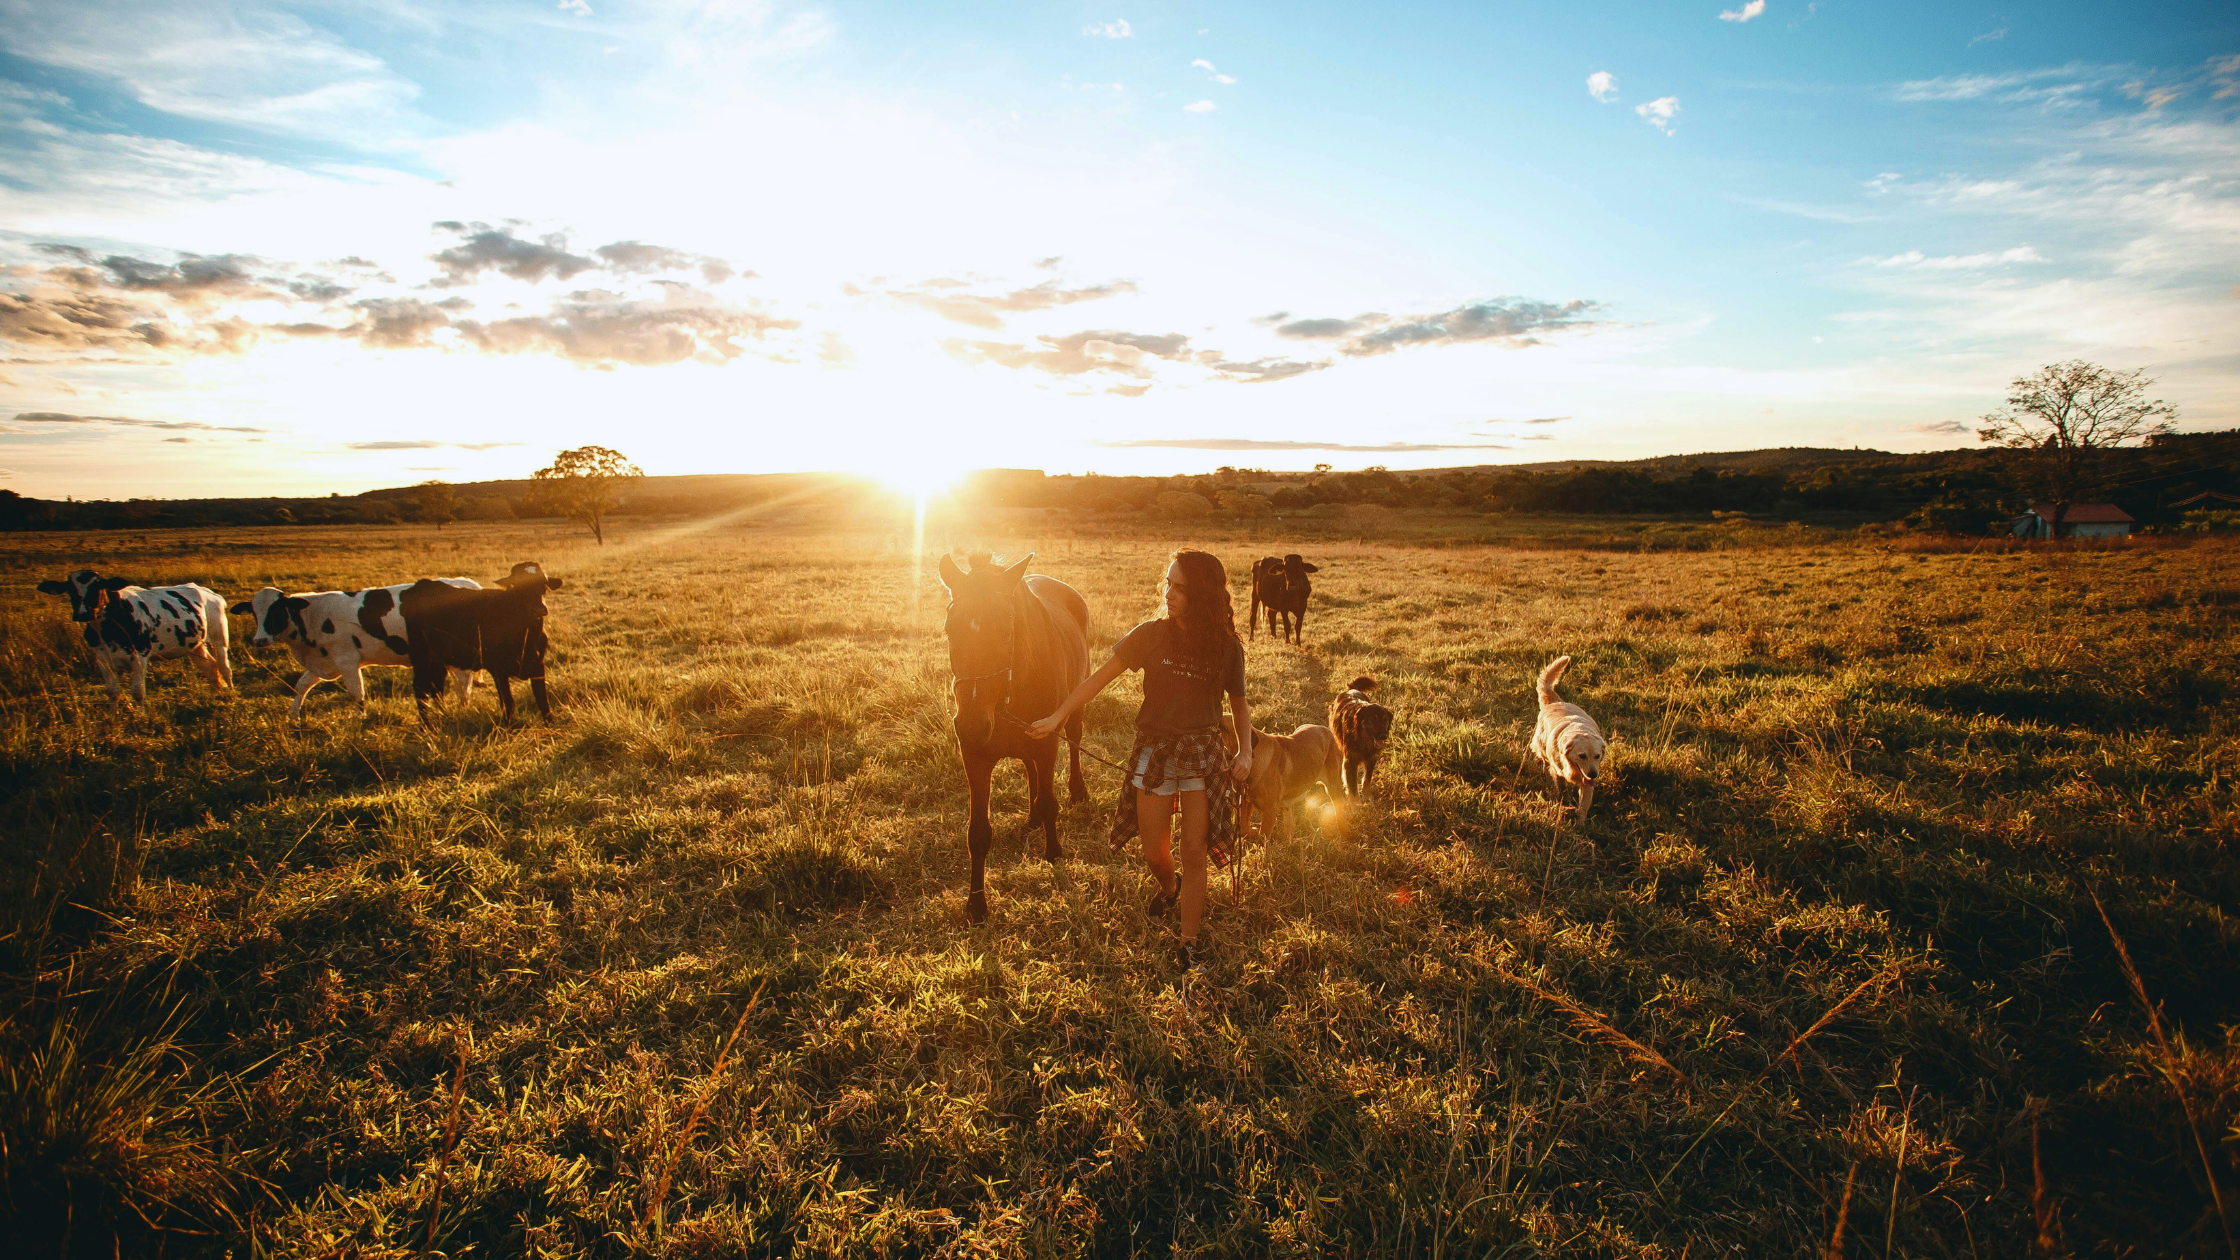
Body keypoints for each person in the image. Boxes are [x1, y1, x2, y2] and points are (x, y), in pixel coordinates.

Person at [1026, 548, 1252, 965]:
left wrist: (1245, 752)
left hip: (1203, 754)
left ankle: (1188, 941)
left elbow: (1239, 705)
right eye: (1168, 583)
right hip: (1154, 753)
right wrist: (1059, 714)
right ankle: (1170, 889)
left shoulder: (1226, 648)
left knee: (1194, 851)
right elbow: (1097, 679)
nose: (1169, 593)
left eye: (1180, 587)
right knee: (1154, 852)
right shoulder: (1151, 634)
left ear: (1201, 594)